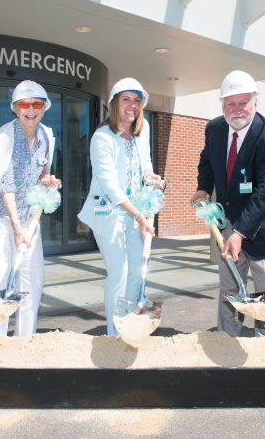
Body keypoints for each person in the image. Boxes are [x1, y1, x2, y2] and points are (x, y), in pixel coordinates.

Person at [189, 70, 265, 338]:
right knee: (230, 289)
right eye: (230, 103)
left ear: (255, 103)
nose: (237, 110)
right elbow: (207, 161)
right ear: (222, 105)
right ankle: (227, 340)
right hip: (230, 222)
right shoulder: (214, 129)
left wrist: (240, 233)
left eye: (243, 102)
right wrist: (204, 187)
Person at [0, 80, 60, 337]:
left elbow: (42, 171)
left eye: (37, 105)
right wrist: (16, 227)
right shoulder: (3, 138)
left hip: (28, 219)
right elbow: (5, 185)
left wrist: (47, 180)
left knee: (31, 281)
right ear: (15, 108)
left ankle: (24, 338)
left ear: (44, 108)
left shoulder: (46, 137)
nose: (30, 109)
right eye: (24, 104)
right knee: (0, 279)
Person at [78, 78, 164, 337]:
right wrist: (140, 217)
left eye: (137, 100)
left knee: (137, 270)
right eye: (126, 99)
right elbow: (111, 186)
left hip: (136, 212)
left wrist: (151, 177)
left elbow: (145, 162)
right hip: (109, 214)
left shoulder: (143, 129)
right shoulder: (101, 138)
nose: (132, 105)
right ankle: (115, 334)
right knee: (119, 272)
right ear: (114, 103)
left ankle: (131, 325)